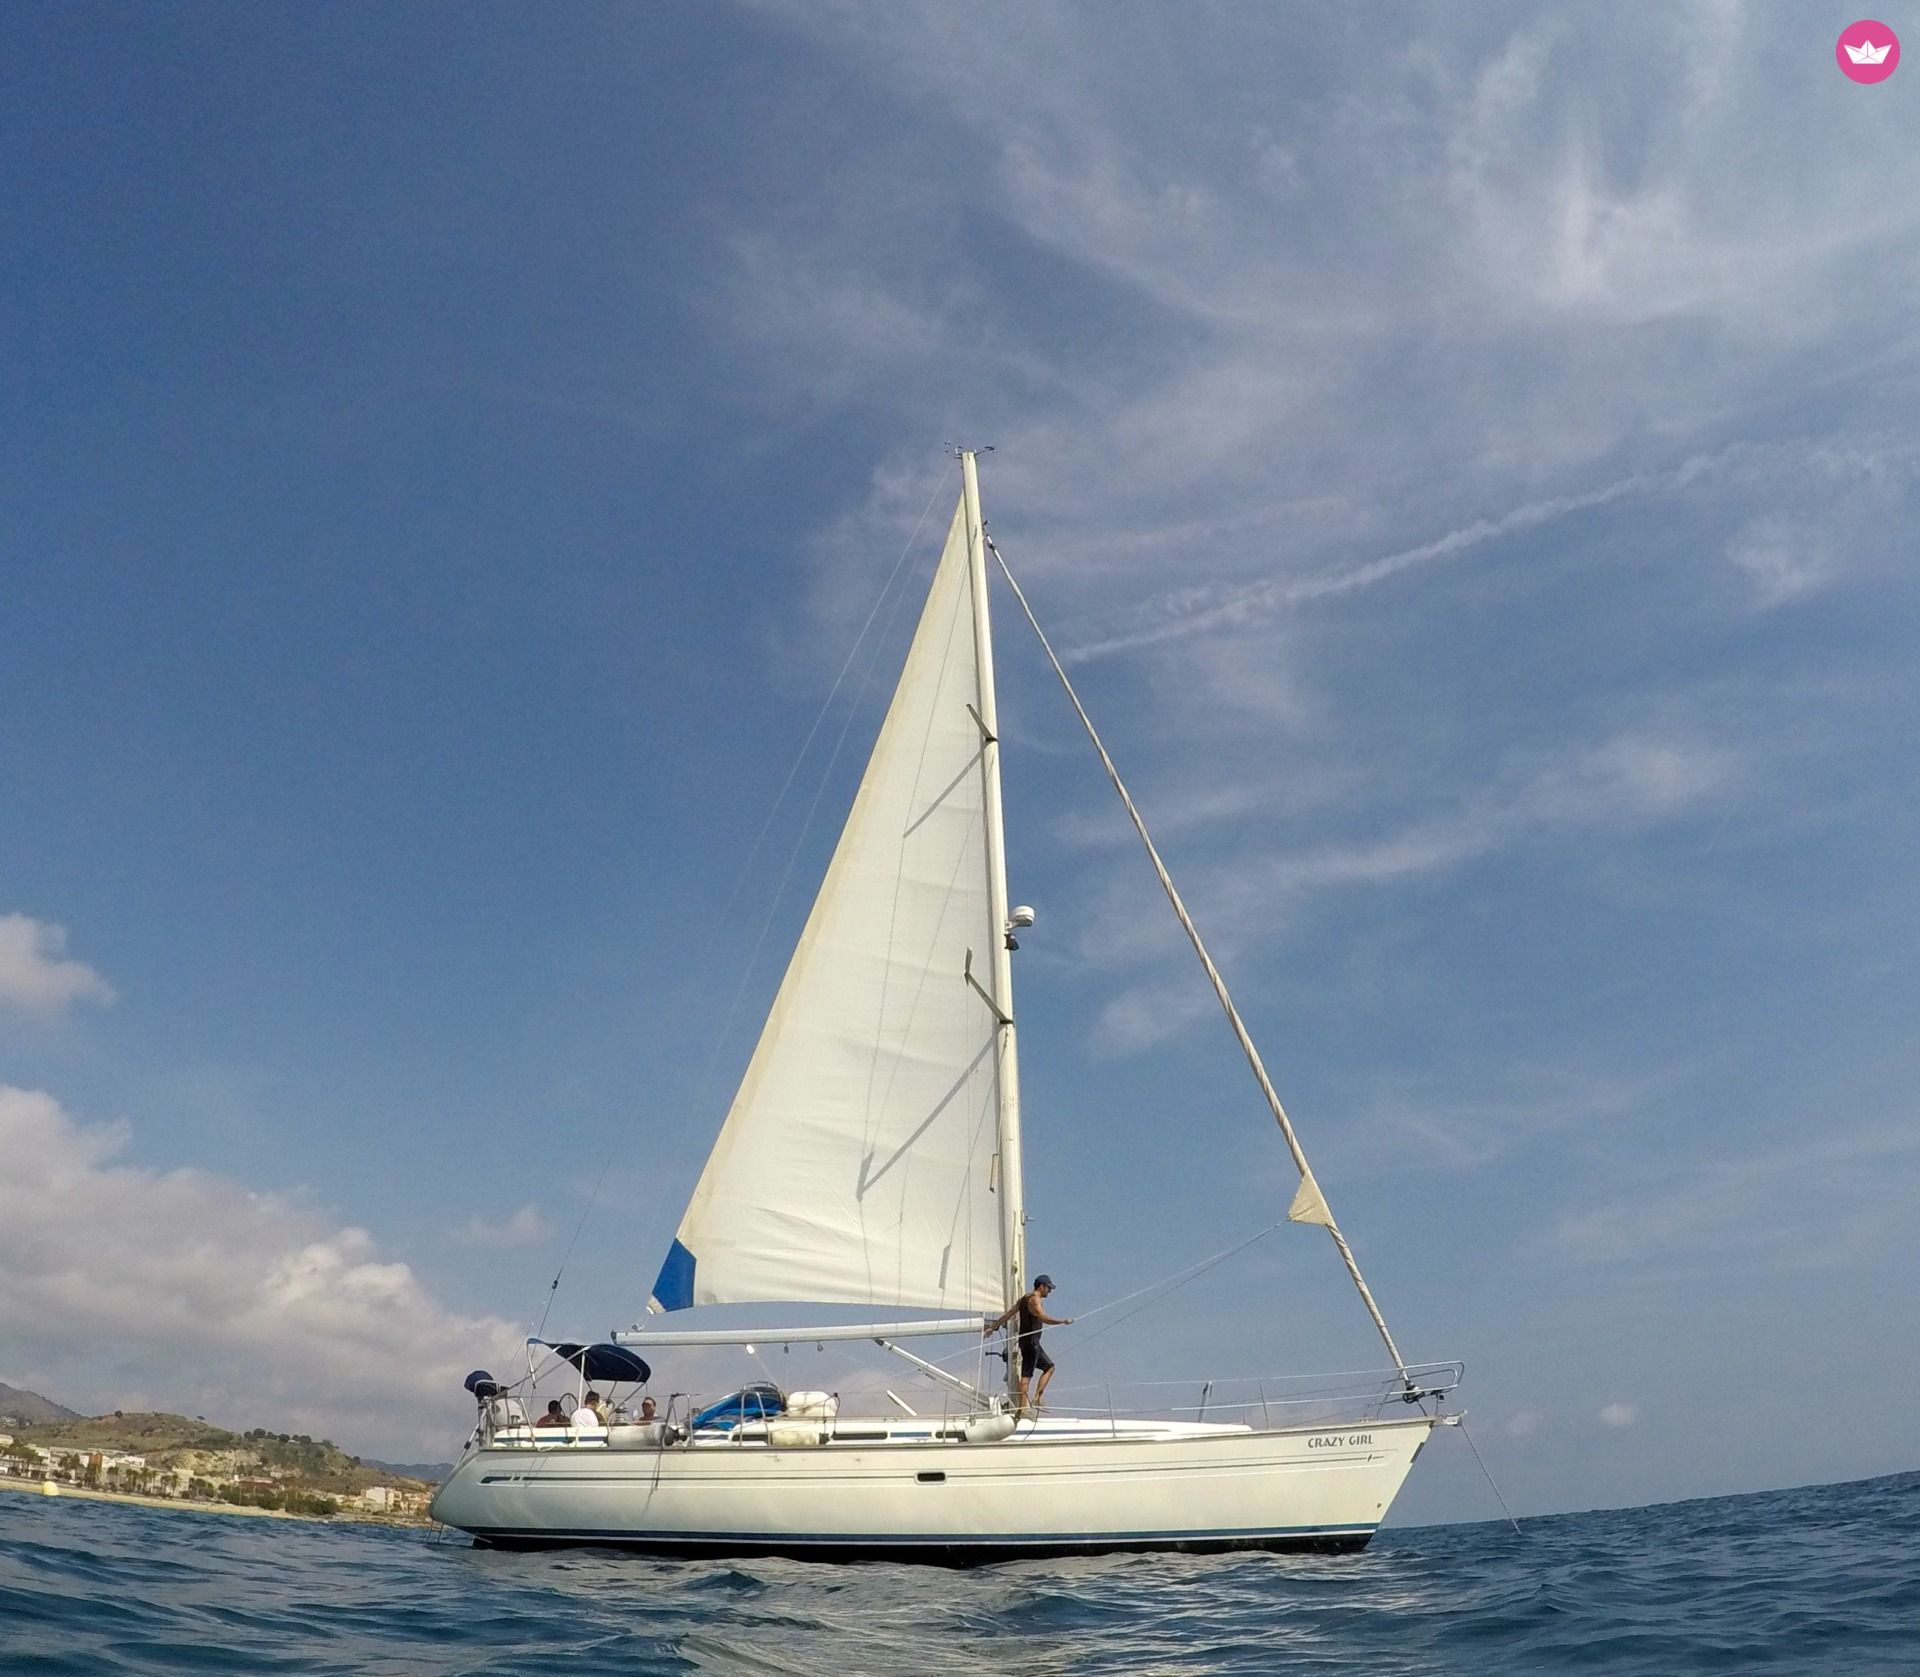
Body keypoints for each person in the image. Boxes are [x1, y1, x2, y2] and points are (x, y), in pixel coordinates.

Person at [984, 1273, 1072, 1413]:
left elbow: (1008, 1314)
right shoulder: (1035, 1300)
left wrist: (994, 1327)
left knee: (1047, 1368)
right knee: (1030, 1374)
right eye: (1049, 1288)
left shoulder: (1023, 1299)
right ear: (1042, 1286)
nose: (1049, 1291)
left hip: (1024, 1343)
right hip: (1032, 1343)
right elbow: (1041, 1316)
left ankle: (1030, 1402)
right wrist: (1061, 1321)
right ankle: (1025, 1406)